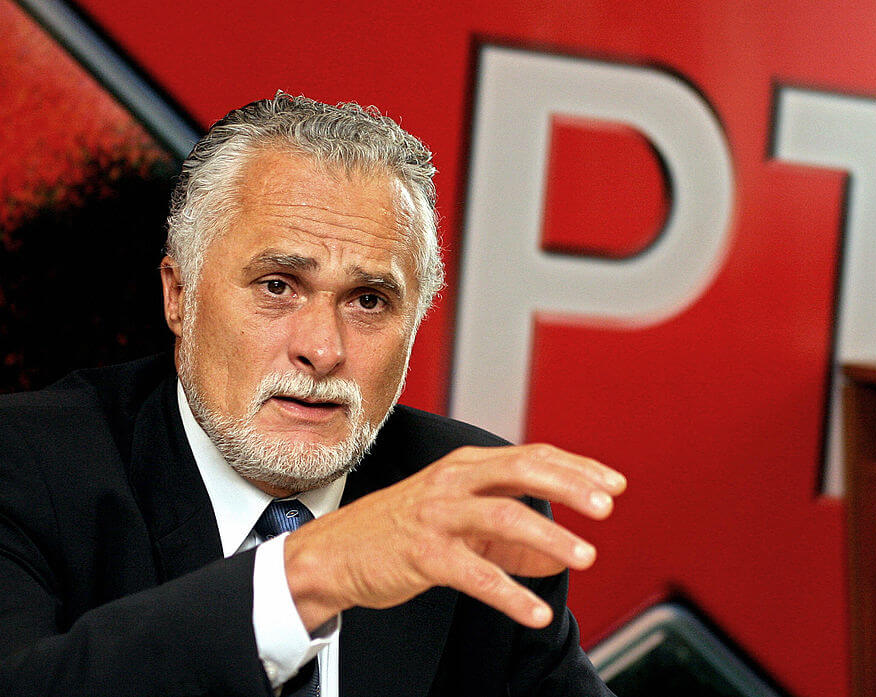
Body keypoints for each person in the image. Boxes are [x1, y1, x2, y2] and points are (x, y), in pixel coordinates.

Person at [0, 92, 625, 696]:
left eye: (369, 301)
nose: (322, 349)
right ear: (179, 294)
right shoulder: (26, 462)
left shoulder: (466, 505)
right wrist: (313, 572)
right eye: (277, 286)